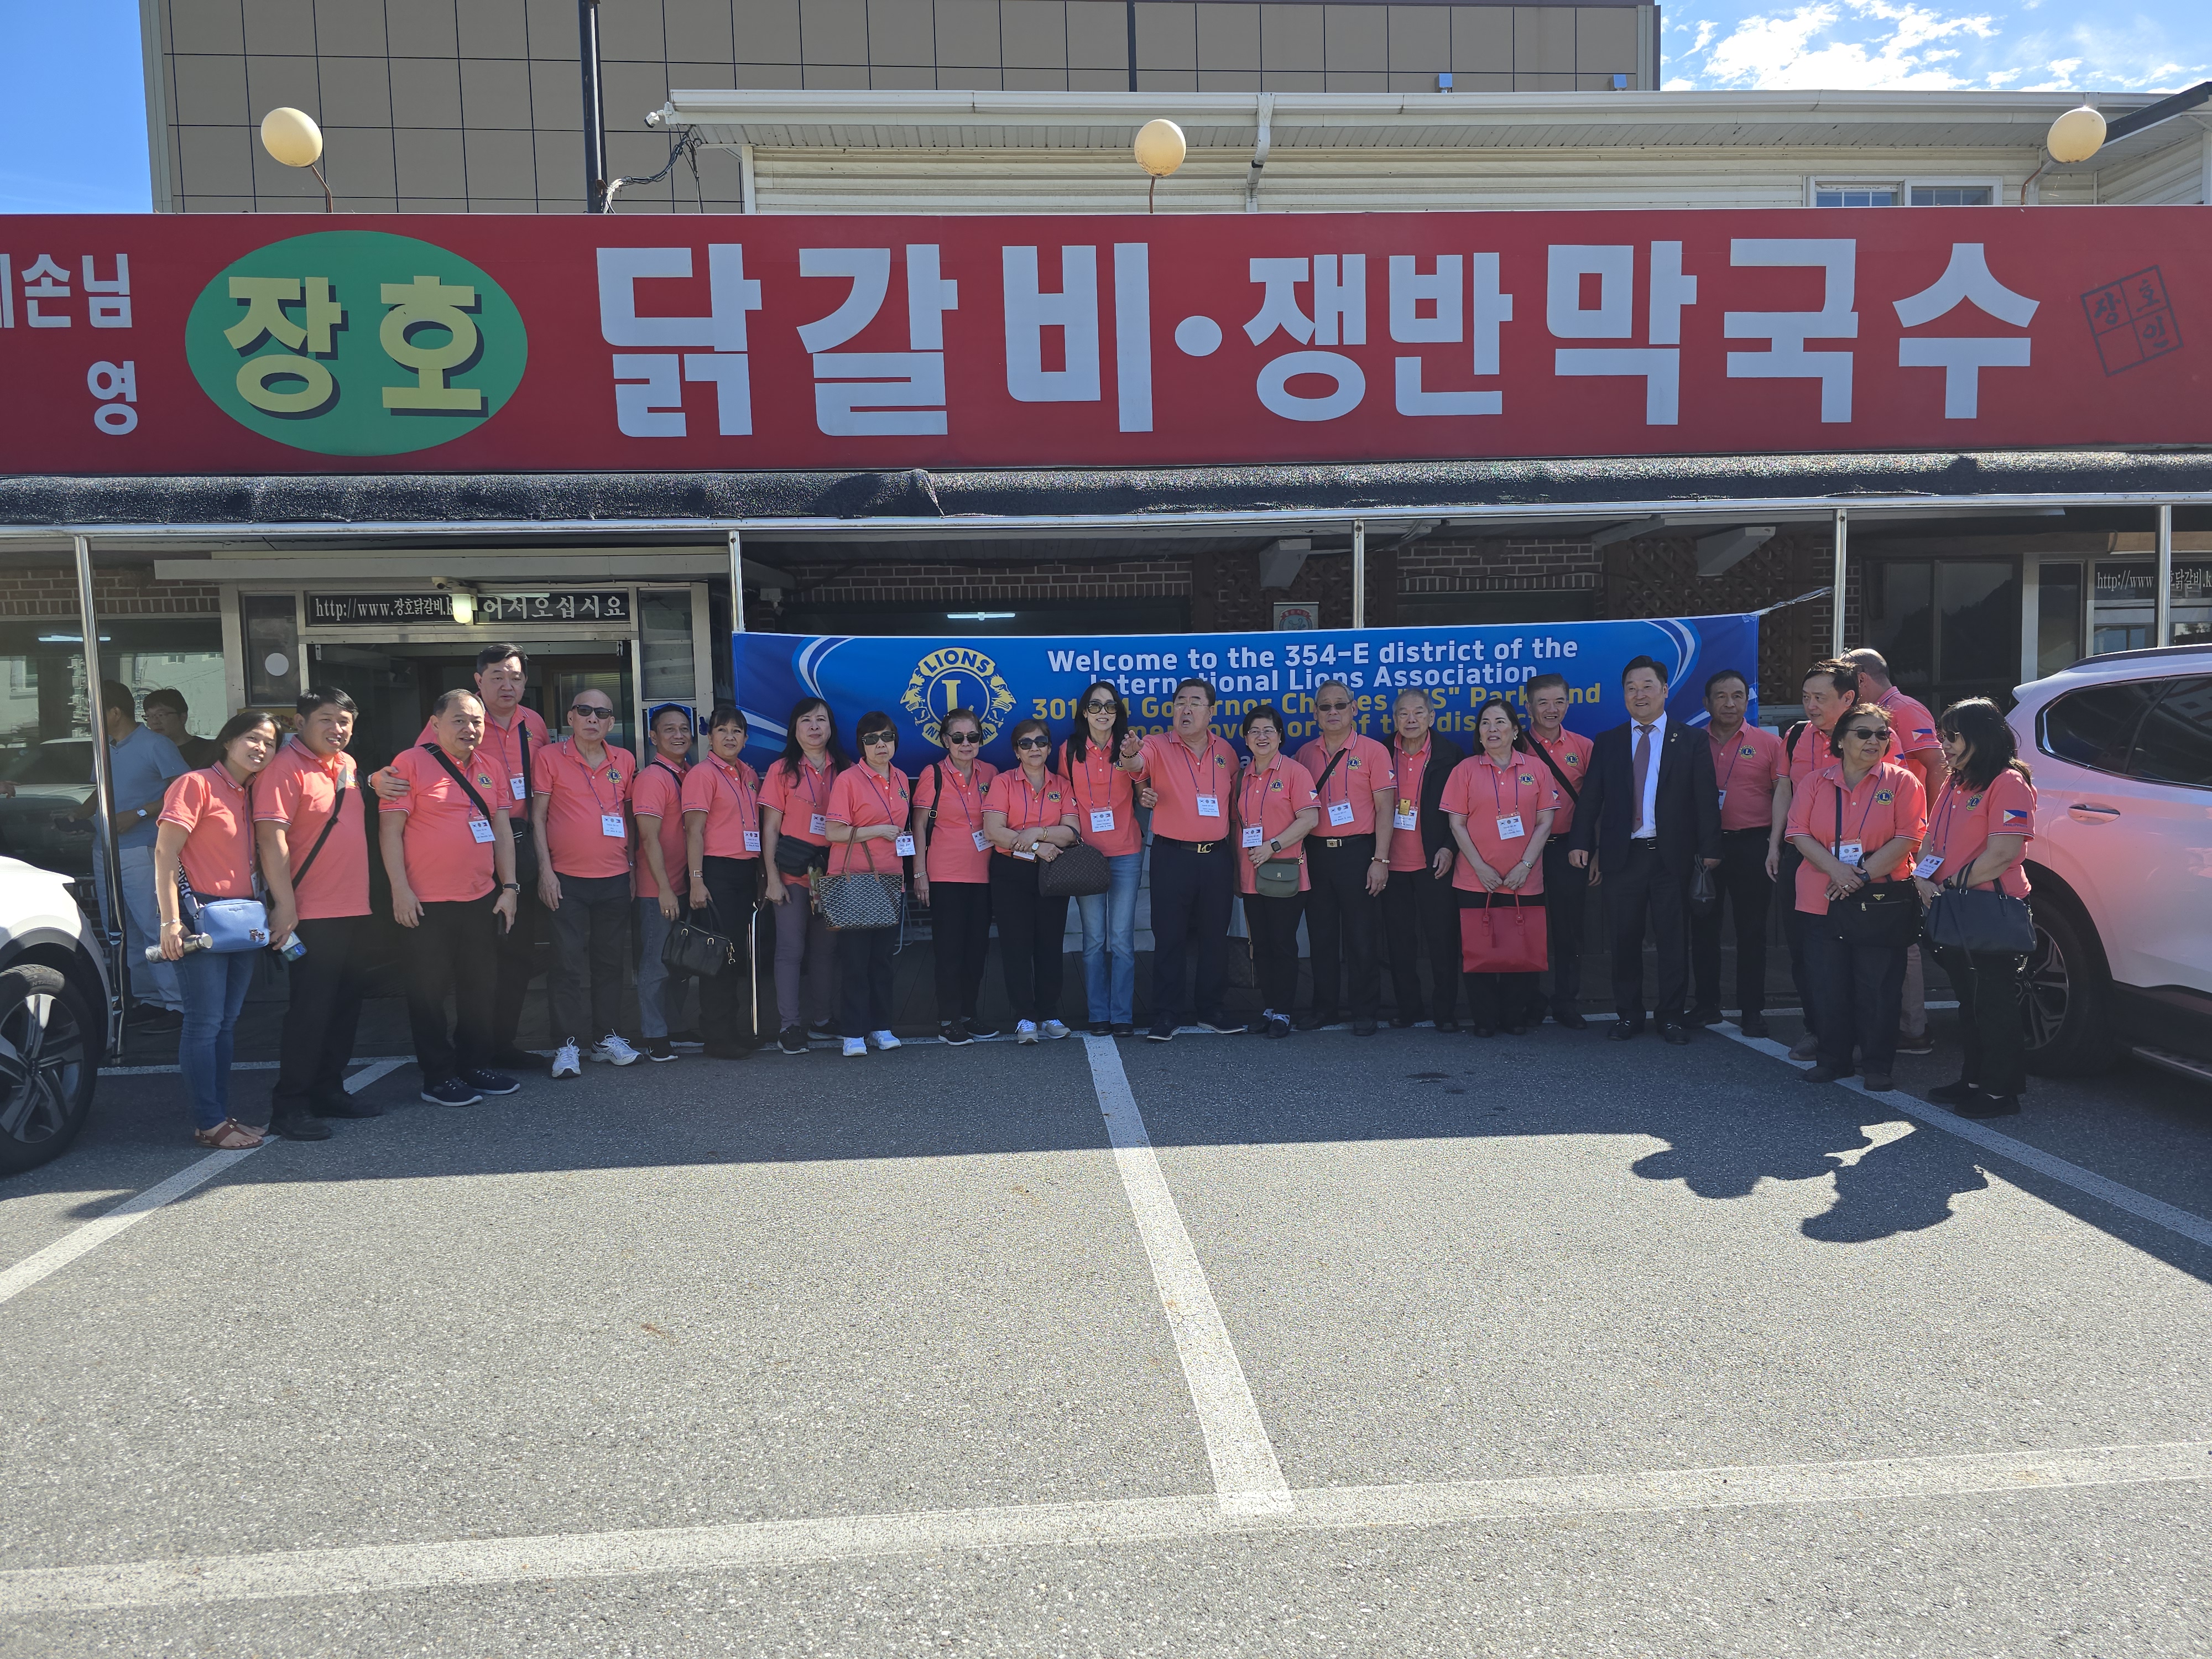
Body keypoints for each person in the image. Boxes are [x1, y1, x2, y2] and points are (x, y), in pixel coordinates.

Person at [374, 645, 549, 1071]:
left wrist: (516, 880)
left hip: (514, 846)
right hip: (452, 868)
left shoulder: (535, 724)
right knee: (446, 974)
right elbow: (411, 774)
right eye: (497, 676)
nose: (507, 685)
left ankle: (498, 1045)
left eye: (515, 677)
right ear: (478, 680)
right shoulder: (451, 723)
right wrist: (373, 779)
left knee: (513, 957)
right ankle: (450, 1063)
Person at [379, 689, 522, 1108]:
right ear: (435, 723)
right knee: (428, 994)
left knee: (480, 989)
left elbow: (502, 833)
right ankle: (438, 1077)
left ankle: (474, 1065)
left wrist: (510, 888)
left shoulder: (490, 767)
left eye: (476, 721)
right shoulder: (410, 763)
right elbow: (390, 832)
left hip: (481, 899)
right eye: (459, 720)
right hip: (426, 902)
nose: (469, 728)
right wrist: (400, 890)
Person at [1568, 655, 1721, 1045]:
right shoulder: (1609, 741)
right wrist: (1581, 842)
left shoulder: (1691, 740)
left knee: (1673, 941)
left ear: (1665, 690)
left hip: (1672, 858)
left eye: (1648, 686)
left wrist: (1710, 850)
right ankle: (1629, 1014)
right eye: (1631, 688)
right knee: (1624, 940)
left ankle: (1671, 1017)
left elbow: (1705, 799)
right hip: (1623, 857)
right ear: (1623, 694)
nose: (1640, 695)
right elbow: (1591, 798)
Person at [154, 710, 279, 1150]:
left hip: (241, 919)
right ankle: (209, 1122)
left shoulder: (251, 792)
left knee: (225, 1023)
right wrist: (170, 921)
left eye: (269, 743)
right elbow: (165, 855)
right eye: (252, 738)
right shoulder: (196, 784)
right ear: (227, 741)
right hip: (199, 916)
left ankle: (219, 1118)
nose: (261, 748)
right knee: (204, 1023)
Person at [1785, 702, 1926, 1090]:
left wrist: (1859, 876)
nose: (1874, 741)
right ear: (1841, 741)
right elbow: (1797, 833)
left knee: (1878, 986)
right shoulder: (1815, 782)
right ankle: (1834, 1060)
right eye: (1863, 733)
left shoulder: (1903, 782)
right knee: (1827, 984)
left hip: (1880, 900)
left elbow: (1909, 837)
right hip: (1820, 898)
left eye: (1882, 734)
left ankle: (1877, 1064)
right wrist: (1836, 871)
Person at [255, 688, 371, 1141]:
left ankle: (329, 1090)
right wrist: (285, 905)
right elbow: (271, 839)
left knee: (344, 1008)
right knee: (310, 1012)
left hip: (353, 907)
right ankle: (291, 1105)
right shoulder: (282, 768)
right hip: (311, 912)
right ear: (300, 723)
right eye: (326, 719)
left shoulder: (347, 765)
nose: (337, 729)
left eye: (345, 721)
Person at [1914, 698, 2036, 1118]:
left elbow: (2003, 853)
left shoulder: (2008, 782)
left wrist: (1948, 885)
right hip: (1953, 905)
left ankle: (2001, 1092)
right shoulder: (1956, 781)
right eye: (1942, 736)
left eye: (1953, 736)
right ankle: (1974, 1080)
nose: (1943, 745)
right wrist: (1922, 877)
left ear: (1980, 737)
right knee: (1969, 1001)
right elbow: (1931, 838)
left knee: (1994, 1004)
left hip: (1989, 907)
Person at [530, 687, 640, 1077]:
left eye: (602, 713)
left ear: (611, 723)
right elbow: (538, 817)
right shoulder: (549, 757)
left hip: (614, 877)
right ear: (571, 718)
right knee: (567, 965)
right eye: (585, 711)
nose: (593, 718)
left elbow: (629, 817)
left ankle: (605, 1038)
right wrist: (545, 871)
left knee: (610, 964)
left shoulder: (625, 760)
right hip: (566, 879)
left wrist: (631, 867)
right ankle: (567, 1045)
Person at [1125, 679, 1241, 1042]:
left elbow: (1235, 808)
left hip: (1217, 858)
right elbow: (1135, 764)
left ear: (1211, 712)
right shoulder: (1156, 744)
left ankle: (1211, 1009)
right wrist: (1129, 755)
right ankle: (1167, 1013)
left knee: (1215, 937)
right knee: (1169, 936)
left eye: (1194, 702)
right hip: (1172, 856)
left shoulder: (1227, 752)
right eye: (1179, 703)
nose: (1186, 709)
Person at [1845, 647, 1945, 1059]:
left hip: (1906, 838)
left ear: (1862, 680)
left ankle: (1912, 1027)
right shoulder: (1884, 711)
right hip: (1884, 836)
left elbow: (1937, 766)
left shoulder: (1904, 710)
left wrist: (1932, 832)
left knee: (1903, 936)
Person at [1442, 698, 1559, 1037]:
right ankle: (1485, 1019)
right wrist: (1480, 867)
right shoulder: (1465, 770)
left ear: (1515, 730)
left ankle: (1513, 1016)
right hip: (1475, 879)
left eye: (1500, 723)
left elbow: (1545, 821)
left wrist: (1525, 865)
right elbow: (1456, 824)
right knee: (1479, 950)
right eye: (1485, 723)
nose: (1492, 729)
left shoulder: (1536, 769)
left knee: (1519, 950)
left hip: (1524, 878)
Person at [76, 681, 188, 1031]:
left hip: (144, 849)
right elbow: (102, 792)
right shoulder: (105, 747)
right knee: (126, 931)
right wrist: (78, 816)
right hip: (106, 849)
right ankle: (150, 999)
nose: (89, 718)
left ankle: (178, 1004)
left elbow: (184, 790)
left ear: (114, 712)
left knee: (155, 926)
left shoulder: (155, 744)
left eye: (94, 710)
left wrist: (140, 814)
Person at [1291, 680, 1395, 1036]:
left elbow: (1385, 809)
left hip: (1358, 853)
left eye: (1340, 705)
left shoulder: (1373, 751)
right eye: (1325, 706)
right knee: (1321, 937)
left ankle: (1365, 1010)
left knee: (1361, 937)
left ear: (1354, 708)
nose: (1333, 712)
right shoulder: (1304, 754)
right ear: (1315, 714)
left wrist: (1380, 860)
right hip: (1317, 855)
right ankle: (1325, 1008)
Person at [1689, 669, 1787, 1037]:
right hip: (1704, 849)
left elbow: (1782, 796)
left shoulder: (1770, 744)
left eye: (1738, 696)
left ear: (1748, 701)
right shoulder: (1692, 742)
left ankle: (1752, 1010)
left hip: (1753, 845)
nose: (1730, 704)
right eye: (1721, 696)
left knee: (1752, 931)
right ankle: (1706, 1005)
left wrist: (1775, 844)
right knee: (1703, 929)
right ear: (1706, 703)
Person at [1778, 659, 1864, 1061]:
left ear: (1848, 699)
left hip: (1856, 862)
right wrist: (1773, 845)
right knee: (1805, 950)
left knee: (1857, 952)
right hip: (1801, 854)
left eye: (1820, 698)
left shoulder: (1871, 735)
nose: (1810, 706)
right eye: (1806, 697)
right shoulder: (1796, 735)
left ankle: (1862, 1036)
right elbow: (1783, 790)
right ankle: (1816, 1030)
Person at [983, 716, 1081, 1043]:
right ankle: (1025, 1016)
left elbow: (1072, 832)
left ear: (1049, 748)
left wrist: (1037, 832)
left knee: (1050, 945)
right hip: (1011, 872)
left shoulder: (1062, 785)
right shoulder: (1003, 783)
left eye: (1040, 742)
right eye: (1026, 744)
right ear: (1017, 751)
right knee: (1016, 945)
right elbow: (993, 831)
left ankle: (1049, 1012)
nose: (1034, 748)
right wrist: (1038, 846)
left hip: (1053, 873)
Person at [1058, 682, 1145, 1036]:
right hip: (1086, 855)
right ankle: (1098, 1013)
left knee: (1122, 939)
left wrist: (1133, 759)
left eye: (1110, 706)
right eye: (1095, 706)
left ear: (1118, 712)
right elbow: (1062, 801)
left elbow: (1142, 786)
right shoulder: (1068, 751)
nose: (1103, 712)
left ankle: (1122, 1014)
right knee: (1094, 939)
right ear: (1084, 712)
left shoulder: (1128, 746)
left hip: (1126, 851)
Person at [759, 696, 845, 1054]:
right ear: (795, 729)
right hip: (792, 875)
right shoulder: (781, 770)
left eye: (821, 720)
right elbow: (770, 829)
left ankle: (823, 1020)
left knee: (826, 951)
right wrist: (772, 878)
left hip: (832, 876)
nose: (814, 727)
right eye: (806, 720)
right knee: (790, 949)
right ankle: (790, 1026)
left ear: (831, 727)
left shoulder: (846, 769)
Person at [823, 710, 910, 1057]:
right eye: (872, 739)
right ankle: (853, 1032)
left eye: (887, 737)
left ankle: (881, 1027)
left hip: (891, 881)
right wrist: (876, 831)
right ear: (861, 745)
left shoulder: (902, 778)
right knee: (855, 962)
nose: (880, 745)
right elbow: (833, 832)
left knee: (882, 961)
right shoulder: (848, 779)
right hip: (854, 881)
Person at [910, 707, 999, 1045]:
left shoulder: (991, 772)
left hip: (984, 875)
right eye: (958, 737)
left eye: (973, 737)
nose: (966, 743)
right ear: (945, 741)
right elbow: (919, 826)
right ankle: (948, 1019)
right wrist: (919, 872)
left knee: (976, 950)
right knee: (949, 950)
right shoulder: (932, 774)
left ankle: (968, 1014)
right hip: (945, 875)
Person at [1234, 706, 1323, 1039]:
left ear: (1280, 736)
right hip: (1251, 874)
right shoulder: (1241, 777)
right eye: (1255, 731)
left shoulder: (1295, 772)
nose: (1262, 737)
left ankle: (1284, 1011)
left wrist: (1272, 846)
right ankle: (1269, 1008)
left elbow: (1310, 819)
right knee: (1262, 945)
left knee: (1283, 944)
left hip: (1285, 873)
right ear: (1246, 738)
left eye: (1268, 730)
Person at [1380, 688, 1465, 1031]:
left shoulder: (1450, 754)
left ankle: (1445, 1012)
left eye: (1418, 712)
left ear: (1432, 717)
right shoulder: (1381, 753)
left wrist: (1449, 847)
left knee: (1442, 940)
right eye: (1403, 713)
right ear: (1395, 719)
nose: (1411, 719)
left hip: (1436, 862)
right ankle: (1409, 1008)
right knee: (1399, 942)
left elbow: (1465, 808)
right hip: (1391, 864)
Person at [682, 706, 763, 1061]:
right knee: (718, 956)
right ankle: (717, 1037)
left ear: (746, 737)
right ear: (710, 736)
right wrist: (697, 880)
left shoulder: (749, 774)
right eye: (722, 730)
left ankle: (732, 1031)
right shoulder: (702, 774)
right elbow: (694, 831)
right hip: (716, 872)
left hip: (745, 872)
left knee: (736, 956)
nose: (730, 737)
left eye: (737, 731)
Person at [1523, 673, 1596, 1029]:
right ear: (1529, 707)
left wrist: (1594, 851)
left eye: (1559, 702)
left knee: (1569, 930)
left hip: (1570, 851)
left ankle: (1566, 1002)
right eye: (1543, 702)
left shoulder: (1584, 747)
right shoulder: (1515, 744)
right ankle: (1530, 1001)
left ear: (1569, 704)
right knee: (1527, 928)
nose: (1552, 709)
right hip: (1524, 855)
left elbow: (1596, 804)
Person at [632, 704, 698, 1062]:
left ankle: (674, 1026)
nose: (678, 734)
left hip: (683, 885)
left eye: (684, 728)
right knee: (656, 963)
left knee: (679, 963)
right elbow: (649, 838)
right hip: (657, 890)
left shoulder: (687, 774)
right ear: (653, 737)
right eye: (669, 729)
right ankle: (655, 1035)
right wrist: (664, 889)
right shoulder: (653, 778)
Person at [142, 688, 222, 768]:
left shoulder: (210, 751)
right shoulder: (146, 753)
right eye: (148, 716)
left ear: (183, 717)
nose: (154, 722)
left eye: (160, 715)